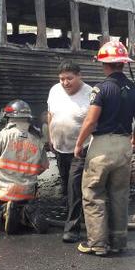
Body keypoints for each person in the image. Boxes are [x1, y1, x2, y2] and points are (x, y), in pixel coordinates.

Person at [73, 41, 135, 257]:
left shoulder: (101, 88)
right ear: (123, 64)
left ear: (105, 64)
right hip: (124, 145)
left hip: (102, 147)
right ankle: (118, 241)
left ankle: (97, 243)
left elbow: (91, 121)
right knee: (119, 194)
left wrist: (79, 143)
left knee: (94, 193)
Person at [0, 100, 50, 234]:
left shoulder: (0, 137)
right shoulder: (37, 142)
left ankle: (1, 212)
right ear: (28, 119)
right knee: (22, 207)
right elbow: (42, 167)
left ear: (8, 118)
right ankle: (24, 215)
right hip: (27, 193)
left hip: (0, 193)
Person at [46, 62, 92, 243]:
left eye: (69, 78)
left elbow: (93, 122)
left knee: (74, 185)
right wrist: (50, 136)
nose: (65, 82)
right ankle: (75, 215)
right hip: (60, 146)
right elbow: (50, 114)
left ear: (80, 76)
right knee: (66, 184)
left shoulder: (90, 93)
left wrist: (81, 143)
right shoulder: (55, 90)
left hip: (81, 148)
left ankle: (72, 229)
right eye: (62, 79)